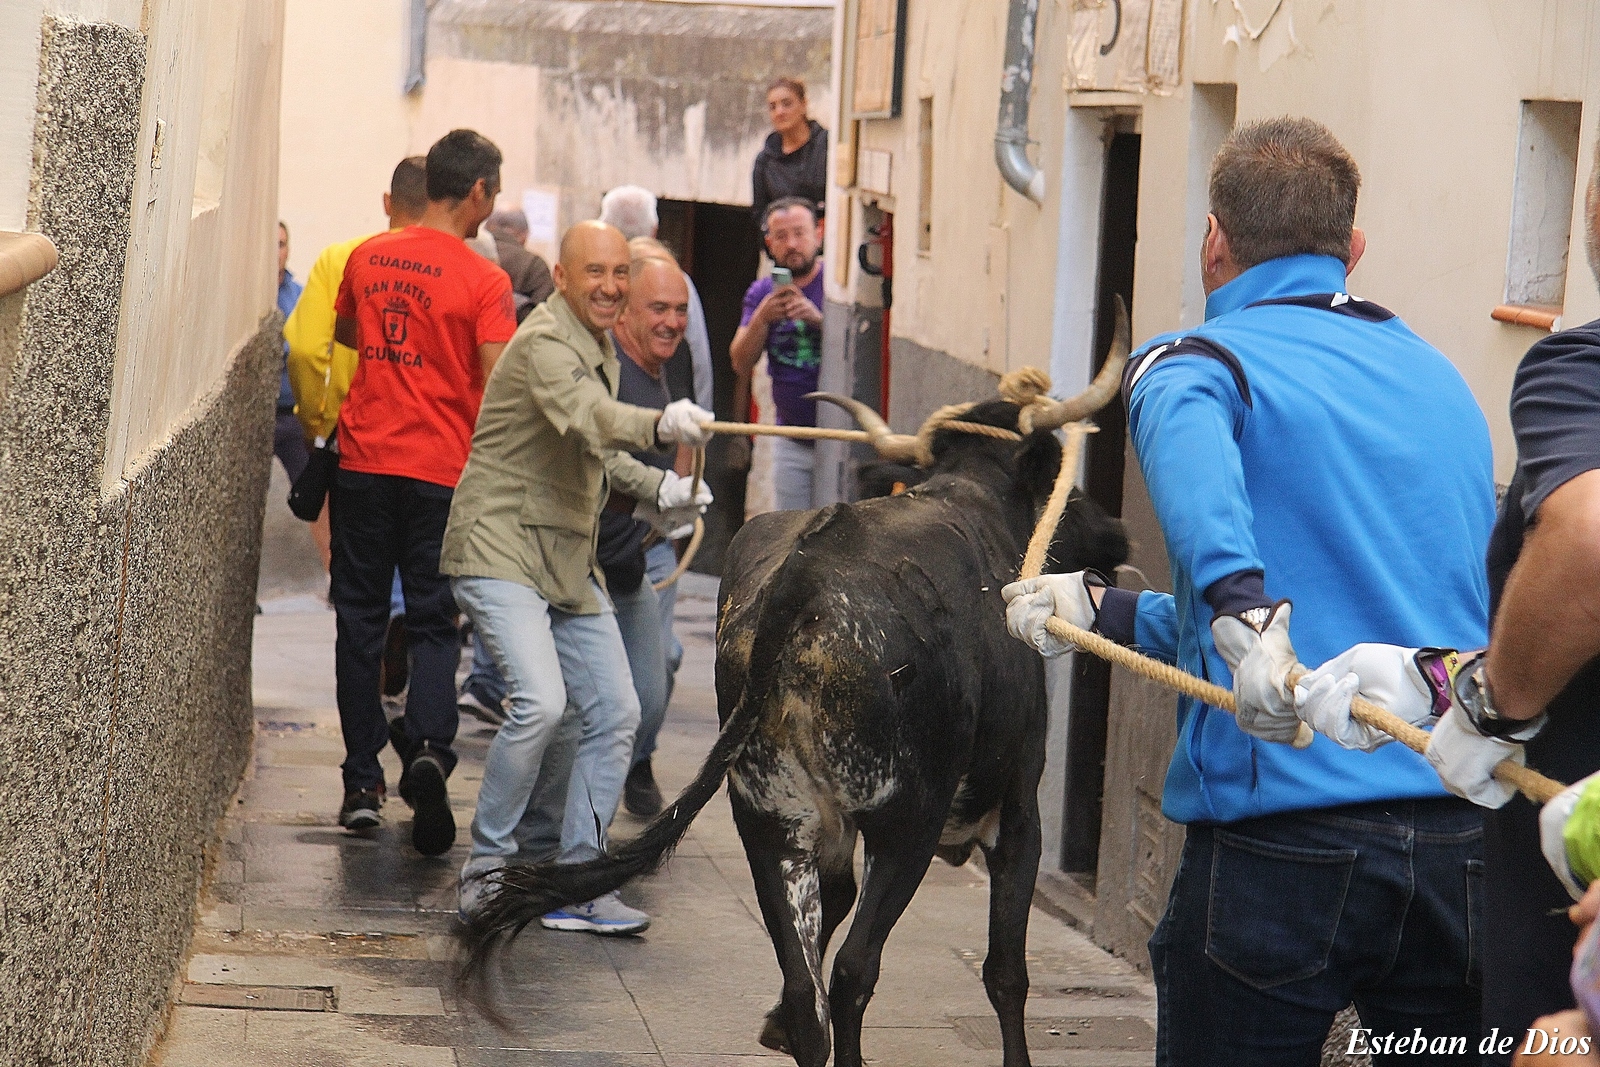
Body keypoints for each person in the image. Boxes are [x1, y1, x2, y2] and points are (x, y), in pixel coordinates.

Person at [1002, 117, 1496, 1063]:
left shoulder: (1193, 358)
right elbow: (1340, 607)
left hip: (1286, 856)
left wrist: (1234, 606)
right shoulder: (1443, 379)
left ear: (1213, 243)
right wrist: (1102, 609)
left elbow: (1195, 475)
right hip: (1457, 854)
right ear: (1352, 250)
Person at [1291, 135, 1600, 1064]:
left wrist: (1495, 706)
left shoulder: (1578, 371)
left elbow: (1586, 543)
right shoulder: (1424, 367)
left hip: (1559, 920)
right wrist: (1442, 679)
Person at [443, 221, 714, 933]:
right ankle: (486, 874)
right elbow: (591, 417)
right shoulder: (545, 342)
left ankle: (580, 882)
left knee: (619, 712)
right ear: (560, 278)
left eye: (620, 272)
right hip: (500, 548)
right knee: (538, 701)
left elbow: (591, 452)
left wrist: (663, 494)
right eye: (595, 271)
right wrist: (662, 429)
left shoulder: (595, 345)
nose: (610, 285)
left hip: (565, 559)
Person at [327, 129, 516, 856]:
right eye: (491, 195)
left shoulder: (366, 257)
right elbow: (498, 383)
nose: (490, 208)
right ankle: (432, 746)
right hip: (442, 470)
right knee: (436, 621)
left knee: (360, 622)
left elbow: (348, 341)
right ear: (475, 192)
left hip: (365, 461)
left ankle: (360, 782)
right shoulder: (485, 282)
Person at [286, 156, 428, 577]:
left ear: (388, 202)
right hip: (428, 442)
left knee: (361, 575)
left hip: (355, 439)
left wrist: (317, 423)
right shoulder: (452, 267)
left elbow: (305, 350)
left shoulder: (344, 258)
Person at [730, 197, 825, 511]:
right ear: (769, 244)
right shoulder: (761, 293)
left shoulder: (835, 287)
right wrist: (761, 318)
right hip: (790, 439)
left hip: (838, 438)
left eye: (800, 233)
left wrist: (817, 320)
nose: (792, 244)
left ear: (819, 235)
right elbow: (739, 361)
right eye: (781, 237)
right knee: (792, 532)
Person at [596, 185, 714, 412]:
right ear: (622, 309)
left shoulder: (679, 356)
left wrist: (698, 428)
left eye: (681, 309)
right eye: (659, 308)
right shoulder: (594, 360)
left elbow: (697, 371)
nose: (672, 322)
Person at [750, 76, 828, 226]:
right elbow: (760, 215)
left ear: (803, 105)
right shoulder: (765, 161)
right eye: (773, 107)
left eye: (787, 104)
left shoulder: (826, 146)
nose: (779, 112)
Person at [274, 222, 306, 483]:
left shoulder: (300, 296)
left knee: (313, 490)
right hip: (258, 414)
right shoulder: (248, 293)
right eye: (271, 245)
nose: (276, 252)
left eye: (281, 245)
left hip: (291, 412)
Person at [483, 208, 554, 320]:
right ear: (524, 235)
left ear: (487, 227)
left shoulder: (470, 254)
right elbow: (542, 319)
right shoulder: (534, 264)